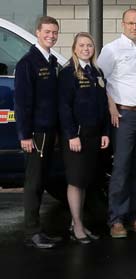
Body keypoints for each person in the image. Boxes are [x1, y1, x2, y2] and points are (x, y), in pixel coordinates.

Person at [97, 8, 136, 238]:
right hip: (123, 116)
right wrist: (111, 105)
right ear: (123, 25)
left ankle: (133, 216)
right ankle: (116, 220)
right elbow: (99, 80)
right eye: (131, 23)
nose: (135, 27)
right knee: (122, 168)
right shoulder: (111, 50)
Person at [15, 16, 63, 249]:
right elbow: (22, 103)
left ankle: (38, 230)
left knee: (42, 180)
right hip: (36, 133)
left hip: (50, 131)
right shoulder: (28, 63)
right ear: (37, 32)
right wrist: (24, 135)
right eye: (47, 32)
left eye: (54, 32)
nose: (51, 36)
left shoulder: (52, 61)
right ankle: (32, 231)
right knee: (33, 182)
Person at [58, 32, 110, 244]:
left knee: (86, 180)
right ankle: (77, 226)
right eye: (82, 45)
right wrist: (72, 135)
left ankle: (77, 222)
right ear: (74, 48)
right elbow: (64, 107)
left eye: (89, 45)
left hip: (94, 135)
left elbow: (104, 107)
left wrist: (105, 132)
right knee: (76, 181)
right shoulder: (68, 73)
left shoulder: (97, 72)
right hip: (76, 136)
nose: (86, 48)